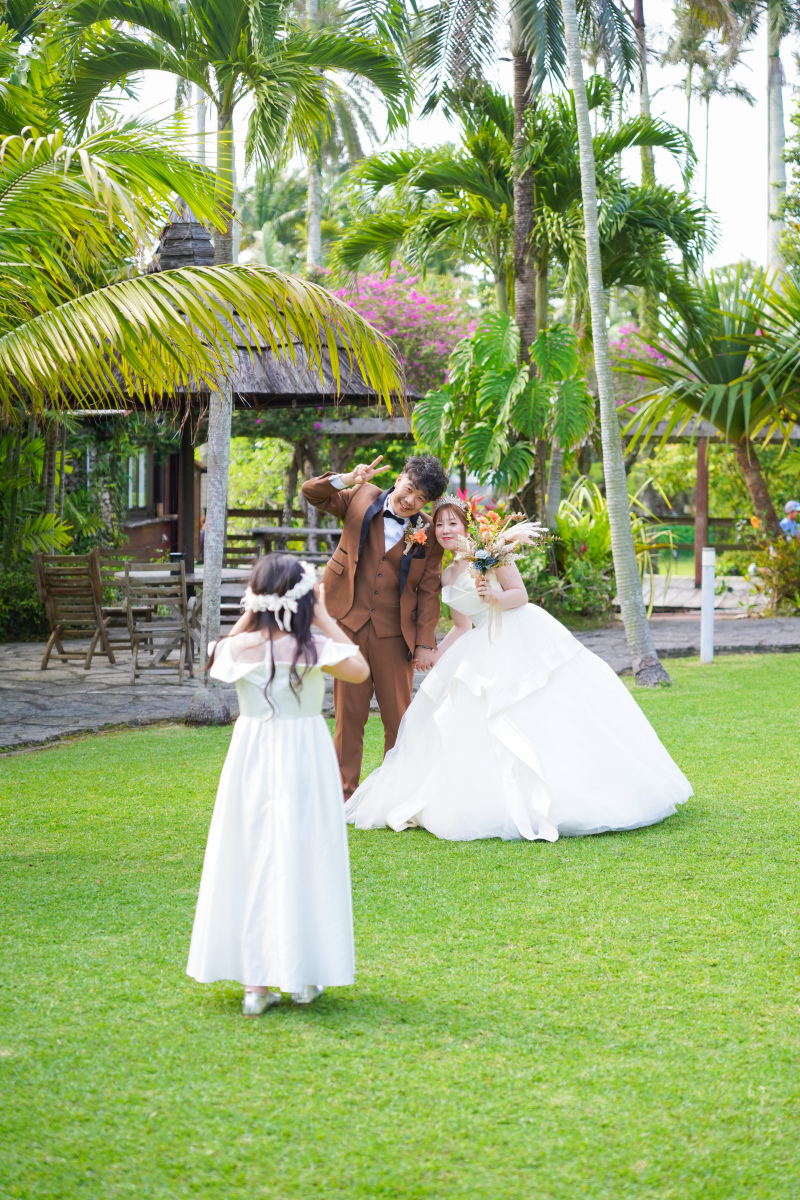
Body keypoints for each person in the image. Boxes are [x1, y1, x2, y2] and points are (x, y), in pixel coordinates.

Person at [345, 496, 693, 842]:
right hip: (481, 643)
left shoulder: (491, 552)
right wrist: (433, 654)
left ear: (466, 525)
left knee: (542, 709)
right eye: (439, 524)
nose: (446, 529)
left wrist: (492, 597)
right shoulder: (446, 573)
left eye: (453, 523)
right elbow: (463, 626)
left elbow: (520, 595)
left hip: (521, 634)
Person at [186, 554, 370, 1016]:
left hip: (252, 755)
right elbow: (360, 669)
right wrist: (326, 618)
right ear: (305, 599)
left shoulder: (235, 649)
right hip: (305, 755)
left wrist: (250, 614)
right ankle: (303, 976)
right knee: (305, 852)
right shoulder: (313, 649)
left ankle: (257, 984)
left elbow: (214, 660)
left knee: (251, 855)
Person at [301, 453, 448, 800]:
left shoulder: (429, 532)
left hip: (395, 634)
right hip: (348, 623)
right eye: (409, 489)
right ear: (399, 479)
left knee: (399, 719)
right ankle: (343, 793)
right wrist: (346, 479)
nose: (411, 501)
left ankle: (395, 795)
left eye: (421, 499)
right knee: (348, 717)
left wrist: (426, 642)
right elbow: (311, 493)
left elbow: (428, 592)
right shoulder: (361, 495)